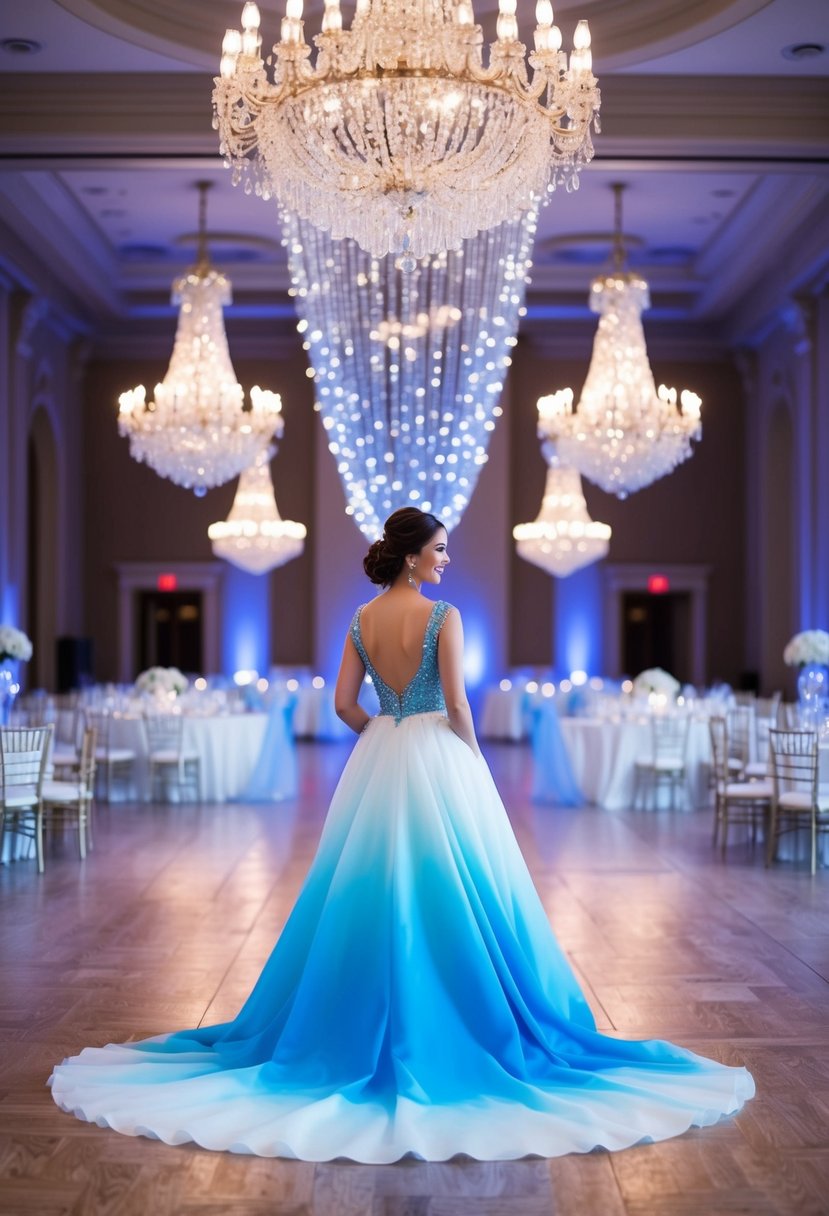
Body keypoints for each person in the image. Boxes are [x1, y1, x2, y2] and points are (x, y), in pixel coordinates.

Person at [49, 507, 754, 1162]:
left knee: (362, 887)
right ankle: (456, 1023)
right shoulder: (442, 616)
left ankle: (350, 1020)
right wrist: (469, 759)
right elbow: (455, 701)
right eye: (439, 550)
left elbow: (340, 703)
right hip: (437, 753)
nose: (446, 561)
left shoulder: (361, 617)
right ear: (413, 557)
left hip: (380, 756)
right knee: (458, 887)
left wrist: (381, 734)